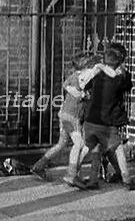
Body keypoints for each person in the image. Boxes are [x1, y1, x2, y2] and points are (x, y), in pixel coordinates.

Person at [30, 52, 95, 186]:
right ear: (85, 67)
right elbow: (77, 89)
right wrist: (81, 93)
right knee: (79, 144)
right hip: (73, 117)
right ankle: (71, 174)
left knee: (61, 144)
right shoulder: (82, 79)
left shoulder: (73, 76)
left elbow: (65, 84)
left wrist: (79, 93)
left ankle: (39, 166)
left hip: (64, 115)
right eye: (90, 66)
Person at [78, 45, 134, 190]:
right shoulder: (119, 79)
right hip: (106, 123)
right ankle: (127, 179)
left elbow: (86, 85)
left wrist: (99, 68)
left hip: (90, 120)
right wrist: (123, 71)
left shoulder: (97, 75)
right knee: (118, 149)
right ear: (120, 61)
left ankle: (89, 178)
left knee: (93, 150)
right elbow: (128, 85)